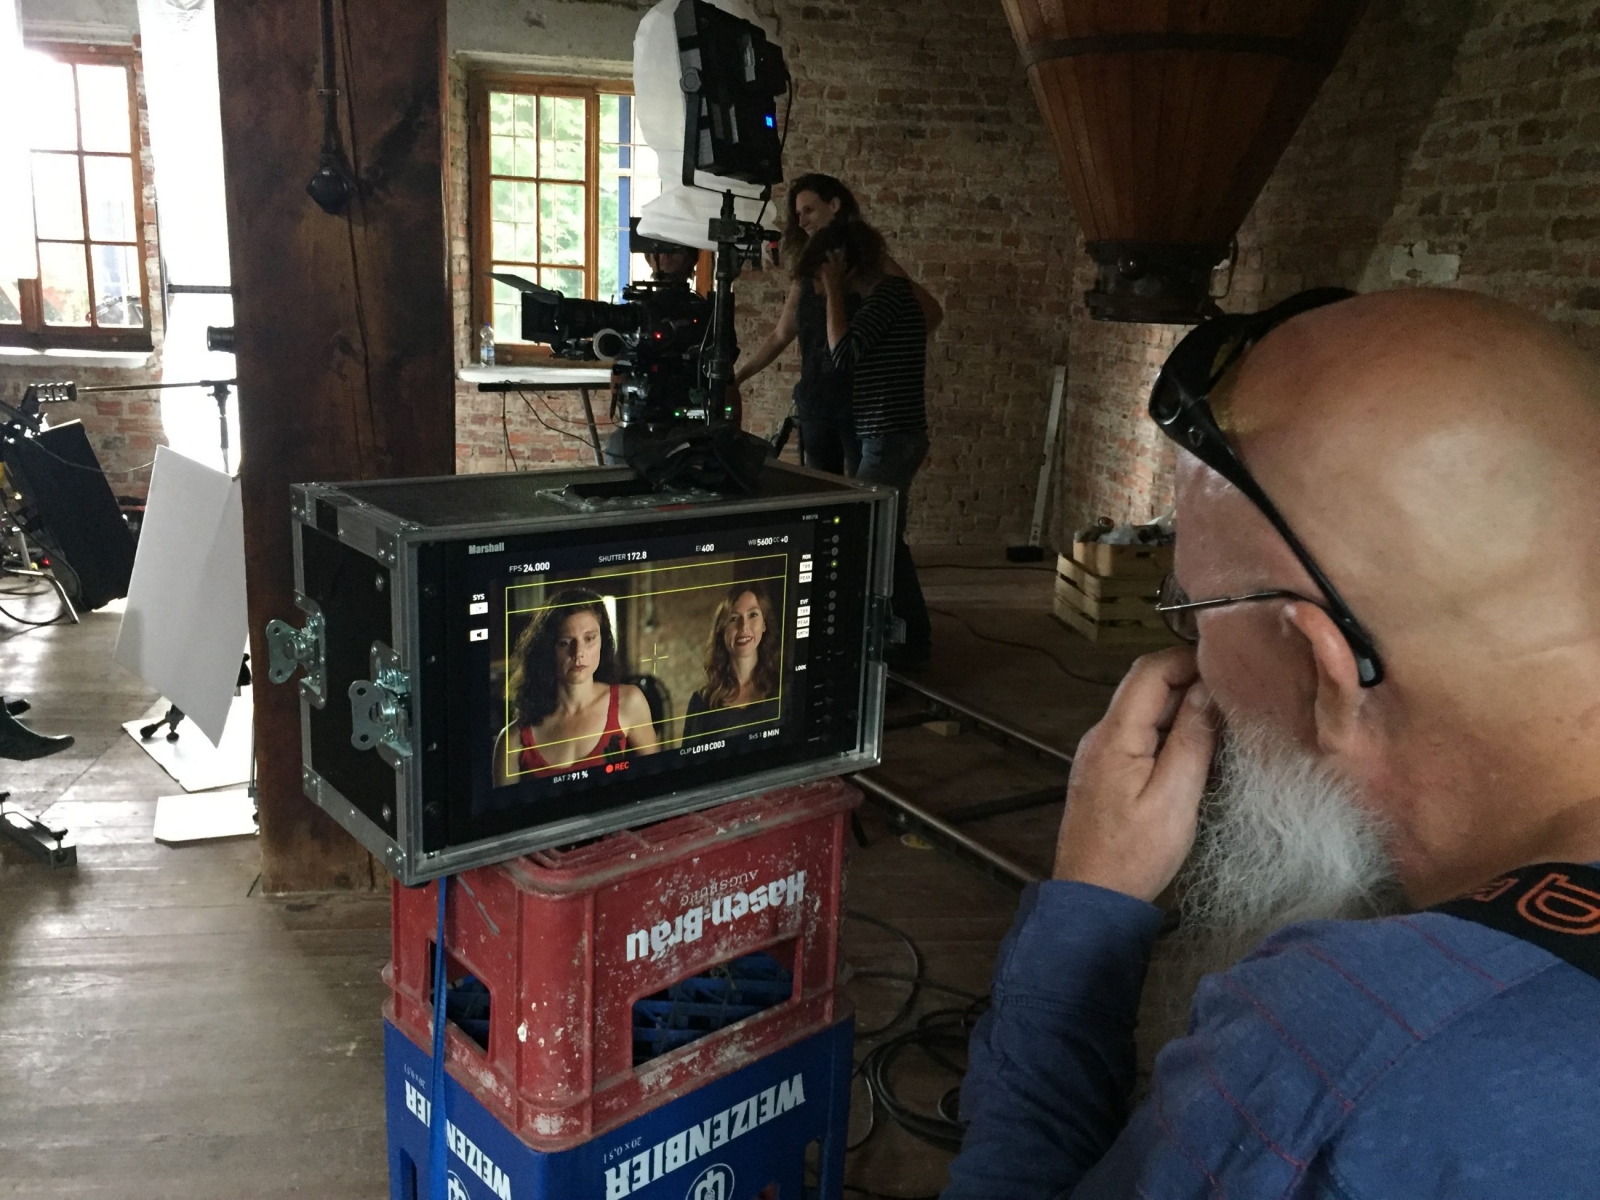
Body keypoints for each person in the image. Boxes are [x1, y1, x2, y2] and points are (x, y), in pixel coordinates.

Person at [943, 288, 1600, 1198]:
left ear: (1321, 663)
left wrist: (1088, 907)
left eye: (1193, 611)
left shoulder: (1332, 1047)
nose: (1190, 650)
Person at [734, 174, 941, 476]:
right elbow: (781, 334)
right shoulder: (809, 270)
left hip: (860, 408)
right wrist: (740, 375)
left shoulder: (875, 268)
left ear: (834, 205)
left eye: (809, 210)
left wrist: (892, 356)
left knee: (864, 493)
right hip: (816, 402)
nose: (801, 221)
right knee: (822, 491)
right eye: (797, 214)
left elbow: (928, 313)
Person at [810, 219, 938, 671]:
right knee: (885, 540)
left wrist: (833, 288)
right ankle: (906, 647)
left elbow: (842, 354)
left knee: (869, 538)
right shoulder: (884, 299)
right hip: (886, 438)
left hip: (890, 439)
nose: (817, 288)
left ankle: (907, 649)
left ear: (841, 262)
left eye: (820, 274)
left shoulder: (889, 295)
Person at [491, 587, 658, 784]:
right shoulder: (513, 740)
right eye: (565, 642)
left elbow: (657, 782)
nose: (578, 653)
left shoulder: (629, 702)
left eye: (589, 639)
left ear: (603, 641)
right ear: (548, 649)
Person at [681, 584, 781, 742]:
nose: (744, 626)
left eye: (753, 615)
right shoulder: (701, 702)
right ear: (722, 630)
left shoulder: (786, 688)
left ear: (764, 624)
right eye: (734, 618)